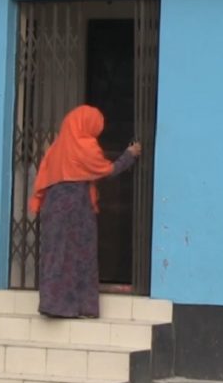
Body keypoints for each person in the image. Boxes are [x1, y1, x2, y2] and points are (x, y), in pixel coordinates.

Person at [29, 105, 142, 318]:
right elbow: (106, 170)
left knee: (56, 252)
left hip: (53, 205)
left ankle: (53, 304)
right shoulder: (84, 146)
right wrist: (129, 155)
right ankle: (78, 306)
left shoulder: (57, 147)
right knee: (79, 253)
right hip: (76, 206)